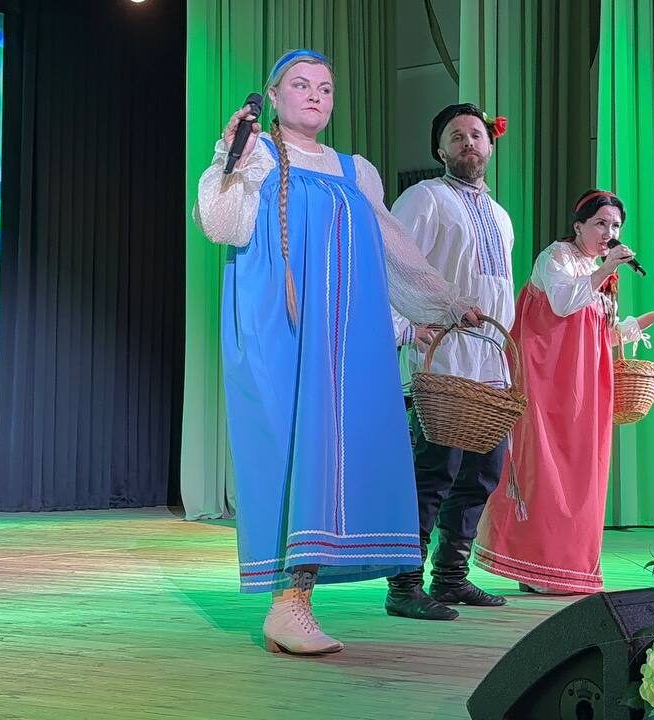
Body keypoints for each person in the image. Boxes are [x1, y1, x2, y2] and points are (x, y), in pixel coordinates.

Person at [194, 49, 480, 656]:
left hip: (345, 334)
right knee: (287, 452)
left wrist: (446, 304)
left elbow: (394, 249)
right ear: (274, 96)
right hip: (278, 328)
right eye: (301, 85)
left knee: (334, 458)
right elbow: (222, 226)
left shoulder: (357, 171)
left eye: (325, 87)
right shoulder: (259, 154)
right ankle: (286, 603)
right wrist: (229, 159)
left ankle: (295, 604)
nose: (316, 96)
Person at [473, 190, 654, 595]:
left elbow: (600, 334)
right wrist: (605, 268)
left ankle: (567, 567)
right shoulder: (556, 257)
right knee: (545, 472)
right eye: (601, 223)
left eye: (615, 225)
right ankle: (535, 568)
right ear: (579, 226)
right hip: (546, 382)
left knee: (584, 475)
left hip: (586, 386)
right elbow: (563, 303)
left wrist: (645, 321)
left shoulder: (601, 274)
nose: (609, 232)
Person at [384, 104, 514, 621]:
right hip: (439, 357)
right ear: (440, 150)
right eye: (455, 136)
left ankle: (451, 577)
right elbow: (391, 264)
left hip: (489, 362)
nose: (468, 142)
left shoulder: (500, 215)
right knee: (433, 472)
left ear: (490, 146)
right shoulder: (425, 198)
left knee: (484, 472)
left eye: (476, 134)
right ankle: (404, 585)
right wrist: (406, 326)